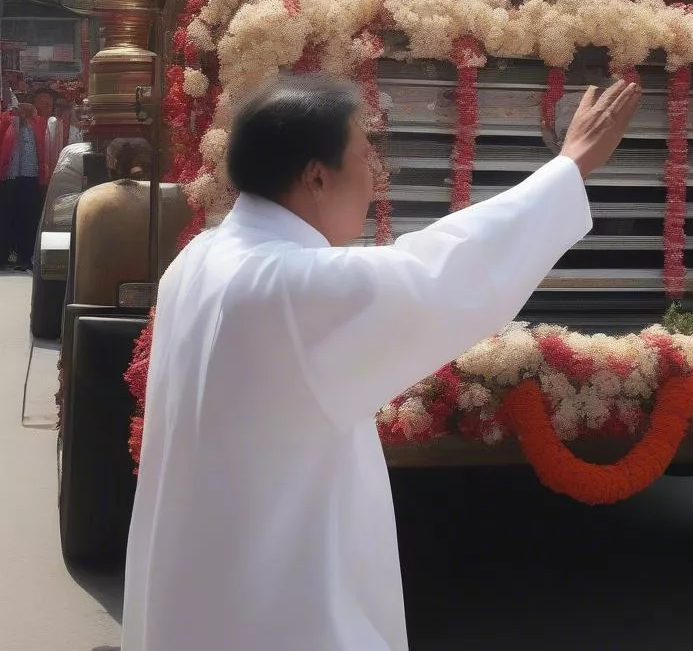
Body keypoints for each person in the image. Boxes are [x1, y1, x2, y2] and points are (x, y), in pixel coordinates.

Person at [122, 74, 640, 651]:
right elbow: (439, 274)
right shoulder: (287, 284)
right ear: (317, 176)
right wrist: (570, 166)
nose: (376, 179)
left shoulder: (199, 258)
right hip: (279, 610)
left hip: (207, 584)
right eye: (365, 158)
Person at [0, 97, 48, 269]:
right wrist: (11, 117)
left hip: (30, 176)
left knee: (29, 217)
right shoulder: (7, 121)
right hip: (9, 176)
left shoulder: (37, 124)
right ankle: (5, 254)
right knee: (7, 217)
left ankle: (26, 255)